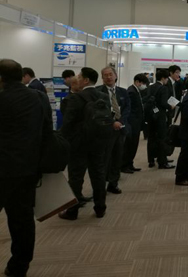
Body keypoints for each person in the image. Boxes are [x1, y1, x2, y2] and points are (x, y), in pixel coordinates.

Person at [0, 59, 52, 277]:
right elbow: (47, 131)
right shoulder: (38, 97)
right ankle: (19, 266)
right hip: (28, 168)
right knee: (22, 220)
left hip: (2, 168)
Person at [59, 67, 111, 220]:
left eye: (80, 77)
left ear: (86, 80)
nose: (77, 79)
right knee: (98, 175)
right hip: (99, 142)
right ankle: (100, 208)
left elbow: (67, 123)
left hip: (78, 144)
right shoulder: (103, 96)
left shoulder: (76, 98)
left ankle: (72, 211)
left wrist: (64, 141)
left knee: (76, 177)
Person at [97, 67, 131, 194]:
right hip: (106, 130)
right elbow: (99, 112)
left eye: (110, 74)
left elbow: (127, 108)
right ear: (102, 78)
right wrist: (112, 122)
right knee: (105, 159)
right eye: (105, 75)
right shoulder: (98, 92)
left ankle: (113, 183)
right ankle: (101, 185)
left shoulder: (123, 91)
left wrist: (120, 121)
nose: (108, 77)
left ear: (116, 76)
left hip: (120, 129)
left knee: (117, 157)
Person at [146, 69, 175, 169]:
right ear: (163, 78)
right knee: (162, 138)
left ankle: (151, 160)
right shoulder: (163, 88)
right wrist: (170, 106)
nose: (167, 80)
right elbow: (163, 103)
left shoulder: (151, 87)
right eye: (166, 78)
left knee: (151, 137)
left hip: (151, 115)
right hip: (160, 116)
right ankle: (162, 161)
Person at [122, 73, 148, 173]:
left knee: (134, 145)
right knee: (129, 145)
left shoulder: (136, 91)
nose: (144, 86)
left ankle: (130, 163)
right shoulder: (131, 91)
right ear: (137, 82)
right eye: (143, 83)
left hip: (136, 122)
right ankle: (124, 165)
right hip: (132, 123)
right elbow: (130, 109)